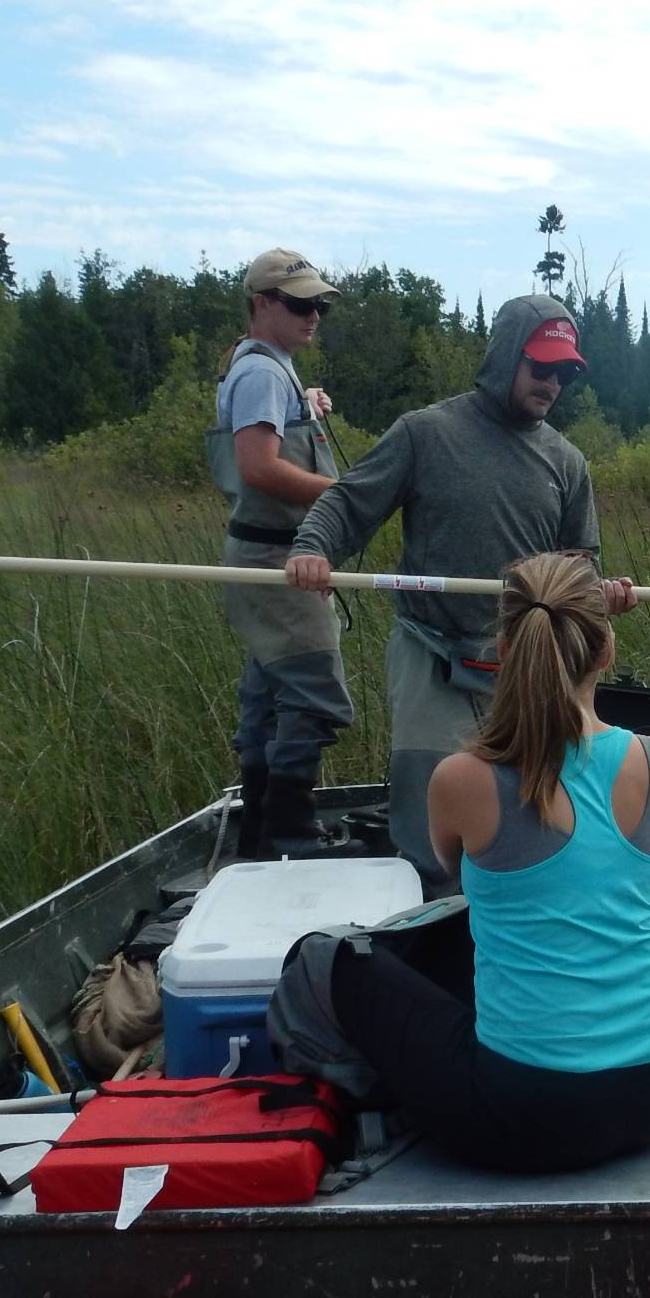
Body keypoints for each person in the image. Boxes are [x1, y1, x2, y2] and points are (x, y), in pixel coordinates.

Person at [327, 552, 650, 1172]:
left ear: (502, 649)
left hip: (528, 1113)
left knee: (336, 962)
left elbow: (445, 863)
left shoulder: (461, 778)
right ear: (605, 652)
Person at [286, 295, 637, 893]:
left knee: (529, 795)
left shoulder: (567, 462)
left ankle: (508, 911)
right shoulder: (425, 433)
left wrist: (599, 594)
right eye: (540, 367)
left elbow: (581, 566)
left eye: (562, 373)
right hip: (432, 651)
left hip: (525, 661)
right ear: (505, 359)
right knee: (433, 800)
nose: (551, 383)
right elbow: (348, 502)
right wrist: (312, 550)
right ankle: (429, 917)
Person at [212, 248, 355, 856]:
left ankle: (258, 831)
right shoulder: (264, 374)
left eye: (319, 303)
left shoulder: (266, 368)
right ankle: (292, 830)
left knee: (269, 692)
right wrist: (350, 495)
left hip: (260, 557)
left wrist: (306, 403)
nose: (313, 315)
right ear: (262, 304)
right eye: (299, 304)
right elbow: (259, 469)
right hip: (276, 560)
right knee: (314, 690)